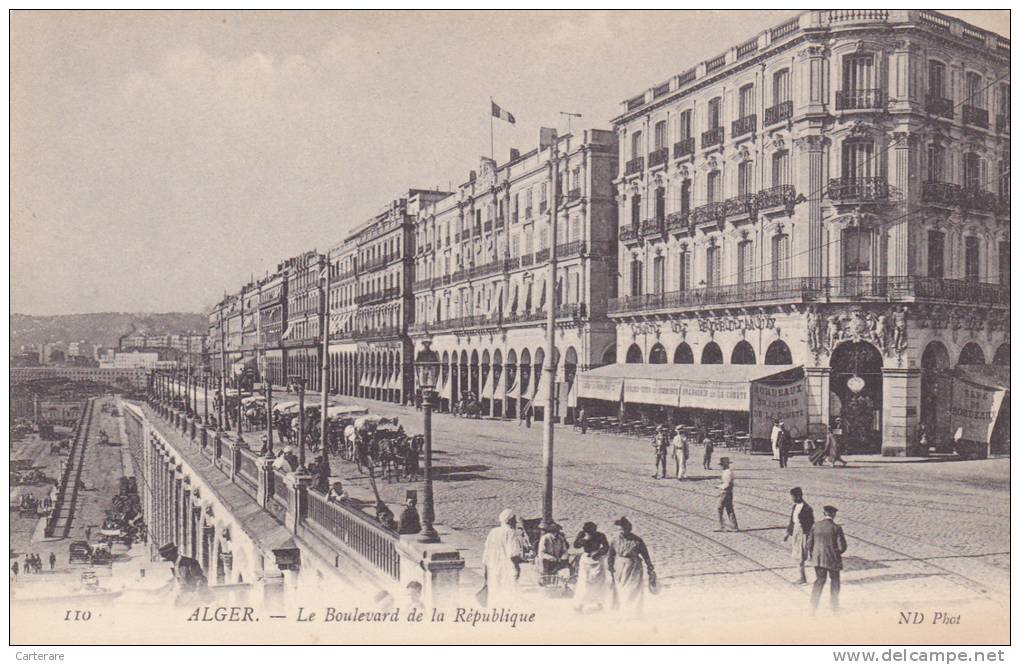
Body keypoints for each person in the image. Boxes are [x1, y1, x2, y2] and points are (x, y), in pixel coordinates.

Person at [608, 517, 654, 615]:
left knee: (633, 588)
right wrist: (610, 565)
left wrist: (649, 566)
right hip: (619, 566)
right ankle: (622, 609)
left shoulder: (637, 540)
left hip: (634, 567)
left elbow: (645, 554)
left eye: (624, 529)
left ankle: (634, 610)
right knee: (620, 587)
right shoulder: (615, 540)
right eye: (620, 530)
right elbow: (611, 553)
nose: (622, 531)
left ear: (629, 529)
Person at [807, 505, 847, 612]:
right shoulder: (836, 528)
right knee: (835, 581)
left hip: (818, 559)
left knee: (819, 581)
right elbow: (842, 547)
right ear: (833, 515)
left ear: (824, 513)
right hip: (832, 559)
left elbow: (809, 544)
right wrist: (837, 553)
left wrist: (813, 555)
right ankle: (834, 606)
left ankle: (813, 606)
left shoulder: (815, 525)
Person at [481, 509, 524, 605]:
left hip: (492, 567)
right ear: (509, 520)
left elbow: (486, 551)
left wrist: (485, 570)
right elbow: (513, 554)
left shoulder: (493, 532)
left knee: (495, 594)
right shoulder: (511, 532)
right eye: (513, 520)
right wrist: (518, 566)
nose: (515, 523)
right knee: (508, 594)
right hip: (506, 569)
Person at [573, 522, 611, 613]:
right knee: (584, 581)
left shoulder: (600, 535)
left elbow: (606, 547)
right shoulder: (582, 534)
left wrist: (598, 553)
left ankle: (599, 603)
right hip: (586, 560)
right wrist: (584, 539)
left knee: (599, 582)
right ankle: (580, 604)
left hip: (597, 560)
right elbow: (576, 545)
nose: (590, 534)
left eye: (591, 532)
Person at [783, 487, 815, 585]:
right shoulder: (795, 506)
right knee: (798, 555)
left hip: (803, 533)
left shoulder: (807, 509)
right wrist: (788, 533)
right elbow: (792, 521)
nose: (791, 498)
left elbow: (811, 524)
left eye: (792, 496)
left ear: (798, 496)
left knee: (800, 556)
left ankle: (802, 578)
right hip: (796, 532)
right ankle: (802, 577)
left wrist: (809, 537)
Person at [716, 457, 738, 531]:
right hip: (728, 492)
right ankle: (734, 526)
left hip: (725, 492)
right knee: (729, 509)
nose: (721, 466)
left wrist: (719, 487)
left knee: (719, 508)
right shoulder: (727, 471)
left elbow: (727, 483)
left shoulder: (727, 472)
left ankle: (721, 526)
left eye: (721, 465)